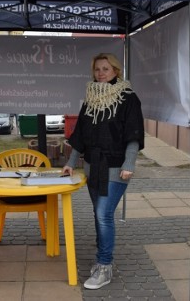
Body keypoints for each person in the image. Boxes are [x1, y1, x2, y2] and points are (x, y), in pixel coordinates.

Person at [62, 52, 144, 290]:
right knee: (98, 214)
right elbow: (80, 134)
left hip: (116, 166)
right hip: (92, 165)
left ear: (116, 71)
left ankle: (105, 266)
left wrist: (130, 164)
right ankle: (101, 256)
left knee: (103, 214)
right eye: (97, 69)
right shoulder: (91, 98)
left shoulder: (128, 98)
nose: (101, 73)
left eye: (106, 69)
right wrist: (71, 161)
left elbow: (133, 134)